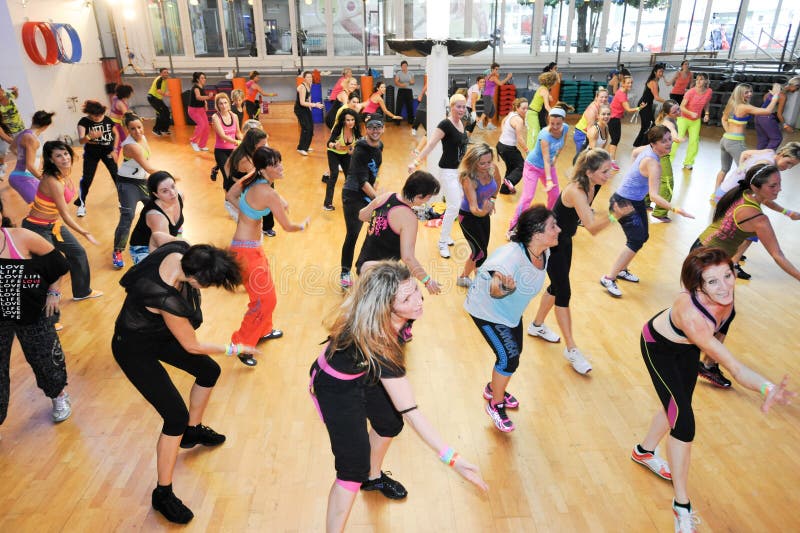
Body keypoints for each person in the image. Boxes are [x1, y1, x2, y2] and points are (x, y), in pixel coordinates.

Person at [310, 261, 488, 533]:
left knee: (389, 424)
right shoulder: (379, 341)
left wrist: (379, 274)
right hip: (336, 386)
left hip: (364, 370)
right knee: (351, 470)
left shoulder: (386, 312)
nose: (418, 300)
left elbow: (369, 266)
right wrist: (454, 459)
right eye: (406, 298)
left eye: (415, 290)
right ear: (386, 307)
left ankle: (373, 477)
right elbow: (411, 410)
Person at [632, 246, 794, 533]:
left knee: (675, 403)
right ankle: (681, 505)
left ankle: (644, 451)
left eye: (727, 276)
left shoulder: (727, 296)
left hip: (688, 347)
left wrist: (766, 388)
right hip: (659, 349)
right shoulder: (692, 314)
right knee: (683, 421)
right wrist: (764, 387)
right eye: (713, 282)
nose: (725, 286)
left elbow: (718, 334)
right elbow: (734, 366)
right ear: (698, 286)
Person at [112, 238, 260, 524]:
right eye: (208, 284)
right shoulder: (164, 298)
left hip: (158, 334)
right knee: (175, 417)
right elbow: (192, 346)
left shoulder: (180, 250)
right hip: (133, 347)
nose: (208, 288)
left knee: (208, 372)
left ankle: (192, 433)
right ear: (194, 278)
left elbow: (159, 237)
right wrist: (235, 348)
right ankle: (162, 494)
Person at [528, 149, 633, 374]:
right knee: (563, 292)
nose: (608, 174)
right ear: (589, 172)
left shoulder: (593, 183)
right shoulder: (576, 190)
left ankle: (536, 326)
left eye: (609, 169)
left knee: (556, 287)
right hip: (551, 243)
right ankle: (571, 348)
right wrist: (615, 216)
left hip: (564, 240)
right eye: (604, 171)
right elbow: (593, 228)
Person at [464, 205, 559, 432]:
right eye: (553, 226)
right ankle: (495, 404)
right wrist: (505, 288)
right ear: (536, 234)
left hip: (510, 314)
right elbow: (495, 290)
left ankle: (493, 387)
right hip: (486, 311)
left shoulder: (543, 252)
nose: (559, 229)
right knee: (509, 359)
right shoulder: (511, 255)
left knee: (514, 353)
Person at [225, 147, 309, 366]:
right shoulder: (267, 193)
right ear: (263, 168)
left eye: (280, 161)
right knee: (265, 300)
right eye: (275, 164)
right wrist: (302, 226)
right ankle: (242, 345)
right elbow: (287, 226)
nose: (280, 167)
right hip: (247, 252)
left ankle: (263, 330)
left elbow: (230, 195)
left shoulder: (252, 179)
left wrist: (245, 214)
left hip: (248, 247)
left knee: (264, 296)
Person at [600, 126, 694, 298]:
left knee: (642, 237)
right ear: (654, 144)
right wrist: (675, 209)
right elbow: (654, 196)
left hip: (633, 201)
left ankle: (621, 270)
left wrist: (633, 172)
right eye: (663, 141)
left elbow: (635, 152)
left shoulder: (646, 149)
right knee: (636, 239)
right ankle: (609, 277)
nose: (669, 143)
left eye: (669, 139)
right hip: (622, 202)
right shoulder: (654, 164)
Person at [0, 207, 71, 427]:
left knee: (44, 358)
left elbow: (58, 264)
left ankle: (58, 396)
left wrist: (54, 292)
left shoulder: (22, 237)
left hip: (32, 311)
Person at [22, 141, 102, 301]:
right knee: (48, 268)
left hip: (53, 226)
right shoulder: (53, 181)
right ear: (51, 160)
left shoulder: (63, 175)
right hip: (36, 228)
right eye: (58, 156)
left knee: (78, 253)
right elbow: (65, 214)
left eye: (65, 153)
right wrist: (85, 232)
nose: (65, 158)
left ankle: (82, 291)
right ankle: (45, 317)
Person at [712, 142, 800, 279]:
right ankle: (733, 263)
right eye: (788, 162)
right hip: (729, 197)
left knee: (743, 227)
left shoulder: (769, 152)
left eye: (792, 166)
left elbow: (745, 154)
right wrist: (788, 213)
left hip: (724, 191)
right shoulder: (767, 167)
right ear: (782, 154)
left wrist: (740, 169)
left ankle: (734, 253)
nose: (788, 167)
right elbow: (765, 200)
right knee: (753, 231)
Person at [355, 171, 441, 295]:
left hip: (363, 264)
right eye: (429, 197)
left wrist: (381, 219)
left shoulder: (387, 196)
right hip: (380, 276)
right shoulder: (409, 218)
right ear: (419, 196)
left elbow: (362, 215)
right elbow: (408, 257)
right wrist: (427, 281)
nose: (428, 201)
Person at [410, 94, 469, 259]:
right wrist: (416, 162)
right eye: (458, 106)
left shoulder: (460, 124)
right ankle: (442, 242)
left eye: (464, 107)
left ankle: (446, 234)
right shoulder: (445, 124)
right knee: (454, 206)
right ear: (451, 107)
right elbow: (431, 144)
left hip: (455, 171)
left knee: (455, 205)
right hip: (446, 171)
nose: (462, 110)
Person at [340, 118, 384, 288]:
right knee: (353, 234)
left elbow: (374, 171)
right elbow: (361, 181)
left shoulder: (379, 146)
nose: (375, 130)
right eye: (371, 127)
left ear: (383, 128)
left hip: (368, 192)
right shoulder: (360, 150)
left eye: (378, 127)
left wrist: (376, 188)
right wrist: (378, 199)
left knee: (376, 232)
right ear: (366, 129)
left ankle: (364, 268)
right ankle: (344, 272)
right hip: (353, 195)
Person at [509, 107, 569, 230]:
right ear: (548, 120)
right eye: (552, 123)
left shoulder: (566, 128)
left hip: (548, 166)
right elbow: (546, 159)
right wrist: (548, 180)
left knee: (554, 195)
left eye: (558, 123)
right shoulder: (545, 135)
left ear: (563, 121)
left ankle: (547, 222)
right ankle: (513, 227)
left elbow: (562, 144)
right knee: (528, 197)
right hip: (533, 166)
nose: (555, 126)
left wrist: (556, 158)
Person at [112, 113, 159, 269]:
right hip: (127, 184)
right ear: (127, 129)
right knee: (128, 215)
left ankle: (158, 239)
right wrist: (169, 177)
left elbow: (146, 164)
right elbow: (148, 167)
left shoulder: (143, 139)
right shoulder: (130, 145)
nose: (137, 131)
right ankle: (117, 251)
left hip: (141, 181)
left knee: (156, 207)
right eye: (132, 129)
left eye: (139, 127)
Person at [714, 83, 780, 189]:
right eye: (746, 92)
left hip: (725, 140)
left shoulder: (732, 103)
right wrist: (776, 97)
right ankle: (733, 195)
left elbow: (724, 119)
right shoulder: (744, 107)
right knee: (744, 170)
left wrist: (729, 133)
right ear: (740, 94)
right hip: (735, 143)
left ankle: (715, 193)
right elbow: (767, 111)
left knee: (724, 169)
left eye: (750, 91)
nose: (750, 94)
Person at [456, 143, 501, 288]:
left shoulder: (493, 169)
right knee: (481, 252)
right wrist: (485, 210)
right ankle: (480, 287)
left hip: (483, 215)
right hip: (468, 217)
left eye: (489, 161)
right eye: (482, 163)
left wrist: (493, 199)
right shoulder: (468, 178)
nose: (487, 165)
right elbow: (474, 208)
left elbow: (498, 182)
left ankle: (463, 278)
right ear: (474, 161)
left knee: (478, 251)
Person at [129, 171, 184, 265]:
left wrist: (178, 236)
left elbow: (178, 225)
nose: (173, 193)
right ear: (156, 194)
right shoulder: (156, 216)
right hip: (144, 249)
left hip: (165, 242)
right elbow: (164, 248)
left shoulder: (179, 196)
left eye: (173, 186)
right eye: (165, 191)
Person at [74, 99, 117, 217]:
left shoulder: (107, 119)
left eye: (100, 115)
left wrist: (115, 149)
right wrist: (89, 136)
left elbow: (116, 134)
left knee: (116, 174)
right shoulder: (83, 122)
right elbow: (81, 140)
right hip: (92, 152)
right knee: (87, 178)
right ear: (89, 113)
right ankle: (81, 204)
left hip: (107, 150)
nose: (98, 118)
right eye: (94, 116)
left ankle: (123, 200)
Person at [8, 110, 54, 203]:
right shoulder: (31, 138)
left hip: (26, 176)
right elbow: (30, 165)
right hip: (22, 177)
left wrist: (22, 157)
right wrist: (43, 179)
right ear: (45, 127)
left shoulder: (23, 133)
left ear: (33, 120)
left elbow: (12, 147)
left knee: (48, 200)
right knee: (40, 205)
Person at [670, 73, 713, 171]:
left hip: (695, 121)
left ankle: (688, 162)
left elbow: (707, 103)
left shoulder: (709, 91)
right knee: (677, 139)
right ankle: (667, 160)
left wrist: (706, 113)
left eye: (701, 79)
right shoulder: (691, 92)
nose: (698, 81)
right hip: (683, 118)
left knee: (694, 142)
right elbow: (681, 107)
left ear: (706, 81)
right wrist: (690, 113)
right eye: (697, 79)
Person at [650, 100, 684, 223]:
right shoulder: (667, 122)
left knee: (653, 179)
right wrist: (676, 138)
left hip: (654, 153)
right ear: (668, 113)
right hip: (660, 156)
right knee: (668, 183)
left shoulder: (671, 119)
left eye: (678, 109)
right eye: (675, 111)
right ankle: (659, 212)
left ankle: (644, 202)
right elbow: (673, 133)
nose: (678, 112)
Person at [323, 109, 361, 211]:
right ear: (344, 121)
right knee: (334, 174)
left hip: (345, 154)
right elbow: (329, 143)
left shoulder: (356, 128)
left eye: (352, 120)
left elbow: (359, 142)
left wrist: (353, 150)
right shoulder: (339, 128)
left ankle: (350, 201)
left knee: (349, 177)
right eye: (348, 120)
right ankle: (327, 203)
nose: (350, 122)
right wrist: (335, 146)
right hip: (333, 152)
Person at [754, 77, 800, 150]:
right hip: (767, 117)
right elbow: (779, 114)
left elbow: (765, 103)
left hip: (758, 116)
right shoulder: (782, 96)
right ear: (794, 85)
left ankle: (758, 159)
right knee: (777, 138)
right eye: (797, 89)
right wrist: (785, 126)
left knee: (763, 140)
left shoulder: (770, 92)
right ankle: (767, 157)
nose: (796, 91)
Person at [608, 74, 645, 160]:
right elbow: (628, 109)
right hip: (613, 119)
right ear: (623, 83)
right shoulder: (622, 94)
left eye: (631, 83)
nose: (630, 85)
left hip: (614, 117)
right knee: (615, 140)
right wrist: (640, 108)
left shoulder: (622, 91)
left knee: (614, 139)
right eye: (628, 83)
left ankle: (609, 158)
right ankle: (611, 160)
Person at [496, 98, 528, 194]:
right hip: (508, 148)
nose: (526, 110)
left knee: (511, 168)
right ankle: (510, 181)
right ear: (517, 108)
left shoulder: (511, 114)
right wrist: (527, 150)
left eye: (527, 108)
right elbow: (520, 138)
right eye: (523, 108)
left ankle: (505, 189)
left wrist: (504, 133)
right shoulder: (518, 120)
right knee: (522, 166)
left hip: (500, 146)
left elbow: (503, 121)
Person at [211, 92, 242, 188]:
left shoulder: (234, 116)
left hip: (233, 151)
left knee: (236, 175)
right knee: (227, 177)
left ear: (229, 103)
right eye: (221, 103)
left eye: (225, 103)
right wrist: (236, 142)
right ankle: (228, 200)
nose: (223, 106)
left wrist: (245, 140)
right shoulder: (215, 117)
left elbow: (238, 133)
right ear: (217, 105)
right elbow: (222, 136)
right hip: (221, 151)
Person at [633, 63, 666, 147]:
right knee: (650, 126)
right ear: (655, 72)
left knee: (646, 126)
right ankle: (644, 145)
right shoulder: (653, 82)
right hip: (644, 106)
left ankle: (638, 144)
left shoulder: (655, 81)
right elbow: (656, 97)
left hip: (646, 105)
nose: (661, 74)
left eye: (662, 72)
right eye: (660, 72)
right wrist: (667, 101)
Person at [572, 88, 609, 163]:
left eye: (606, 97)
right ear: (596, 97)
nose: (604, 99)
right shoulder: (592, 111)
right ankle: (576, 172)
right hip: (582, 134)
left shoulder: (604, 106)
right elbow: (589, 132)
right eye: (601, 97)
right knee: (582, 158)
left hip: (592, 132)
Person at [295, 71, 325, 156]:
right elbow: (302, 102)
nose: (309, 78)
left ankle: (306, 146)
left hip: (306, 108)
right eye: (307, 77)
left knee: (311, 128)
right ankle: (301, 148)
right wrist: (315, 105)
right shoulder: (302, 87)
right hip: (300, 109)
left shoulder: (309, 85)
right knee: (306, 128)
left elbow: (309, 97)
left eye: (310, 77)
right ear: (304, 78)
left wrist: (310, 108)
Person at [526, 71, 557, 150]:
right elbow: (547, 106)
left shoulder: (542, 88)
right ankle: (530, 152)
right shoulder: (545, 91)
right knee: (534, 133)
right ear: (551, 82)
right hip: (532, 113)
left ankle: (532, 151)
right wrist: (555, 115)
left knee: (535, 133)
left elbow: (546, 96)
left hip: (533, 113)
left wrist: (549, 96)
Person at [0, 85, 25, 177]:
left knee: (22, 149)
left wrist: (16, 91)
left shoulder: (8, 95)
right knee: (2, 150)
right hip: (8, 130)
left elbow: (15, 95)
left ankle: (25, 168)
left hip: (20, 127)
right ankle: (2, 166)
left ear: (2, 90)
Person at [478, 62, 511, 130]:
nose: (497, 71)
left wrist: (494, 74)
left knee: (492, 110)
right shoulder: (492, 77)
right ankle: (479, 122)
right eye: (496, 69)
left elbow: (490, 78)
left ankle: (489, 124)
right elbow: (501, 84)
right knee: (487, 110)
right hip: (488, 95)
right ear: (492, 69)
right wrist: (508, 77)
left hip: (489, 95)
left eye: (498, 69)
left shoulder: (490, 76)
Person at [187, 72, 212, 152]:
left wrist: (205, 103)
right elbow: (198, 97)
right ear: (197, 79)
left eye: (204, 78)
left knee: (207, 127)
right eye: (202, 78)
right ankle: (193, 141)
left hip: (201, 110)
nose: (204, 79)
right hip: (193, 110)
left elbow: (202, 98)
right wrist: (208, 97)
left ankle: (202, 145)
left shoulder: (202, 87)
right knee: (201, 125)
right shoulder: (196, 88)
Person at [109, 83, 133, 158]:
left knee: (124, 140)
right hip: (114, 124)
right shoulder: (120, 103)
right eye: (130, 92)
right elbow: (127, 115)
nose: (132, 94)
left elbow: (126, 111)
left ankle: (128, 157)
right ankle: (113, 161)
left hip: (116, 123)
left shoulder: (115, 97)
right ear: (127, 94)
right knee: (118, 143)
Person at [147, 68, 171, 136]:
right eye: (164, 72)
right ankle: (155, 130)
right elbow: (158, 91)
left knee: (166, 112)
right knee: (161, 113)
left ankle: (164, 129)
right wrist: (166, 94)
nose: (166, 74)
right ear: (161, 73)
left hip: (158, 99)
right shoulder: (159, 79)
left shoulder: (165, 79)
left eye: (167, 72)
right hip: (152, 97)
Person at [394, 60, 415, 128]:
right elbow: (396, 82)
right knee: (399, 106)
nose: (404, 67)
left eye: (405, 66)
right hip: (401, 91)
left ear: (407, 66)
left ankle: (411, 121)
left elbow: (413, 82)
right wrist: (402, 85)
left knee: (410, 106)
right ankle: (397, 121)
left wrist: (409, 82)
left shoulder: (411, 73)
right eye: (403, 66)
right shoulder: (399, 73)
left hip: (409, 91)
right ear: (401, 67)